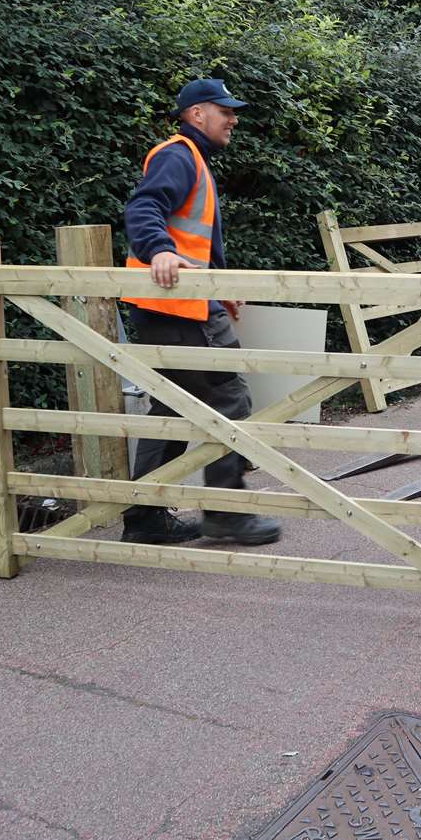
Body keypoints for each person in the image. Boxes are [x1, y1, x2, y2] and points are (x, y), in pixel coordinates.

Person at [119, 77, 283, 547]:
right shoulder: (178, 155)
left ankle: (145, 519)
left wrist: (220, 287)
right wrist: (159, 251)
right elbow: (145, 207)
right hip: (181, 308)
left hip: (168, 306)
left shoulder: (194, 162)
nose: (233, 119)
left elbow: (200, 240)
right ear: (196, 115)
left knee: (171, 407)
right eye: (225, 111)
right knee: (228, 400)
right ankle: (227, 513)